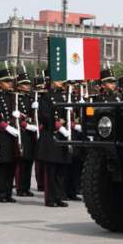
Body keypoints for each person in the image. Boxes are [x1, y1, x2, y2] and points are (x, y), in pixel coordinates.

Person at [37, 78, 72, 207]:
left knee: (60, 170)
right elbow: (45, 116)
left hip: (62, 137)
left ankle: (58, 196)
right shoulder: (46, 97)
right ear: (52, 81)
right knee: (51, 170)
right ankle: (50, 198)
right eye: (59, 80)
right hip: (50, 135)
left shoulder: (63, 96)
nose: (62, 82)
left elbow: (67, 117)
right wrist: (59, 125)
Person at [0, 68, 20, 203]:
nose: (10, 84)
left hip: (13, 133)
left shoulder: (12, 96)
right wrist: (6, 126)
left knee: (11, 165)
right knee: (2, 166)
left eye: (11, 81)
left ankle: (8, 193)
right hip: (2, 133)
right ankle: (0, 193)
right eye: (6, 81)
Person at [14, 72, 38, 197]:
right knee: (21, 162)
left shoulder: (31, 98)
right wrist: (26, 124)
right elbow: (16, 116)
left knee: (29, 161)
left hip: (30, 133)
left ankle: (26, 187)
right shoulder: (16, 98)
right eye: (24, 84)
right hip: (22, 132)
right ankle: (19, 187)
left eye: (28, 84)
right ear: (18, 86)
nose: (27, 86)